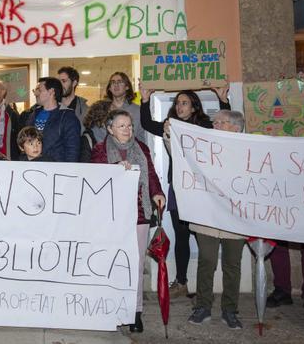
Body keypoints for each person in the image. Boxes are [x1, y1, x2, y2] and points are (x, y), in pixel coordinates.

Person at [139, 85, 229, 298]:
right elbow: (146, 124)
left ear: (194, 107)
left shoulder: (206, 126)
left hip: (201, 190)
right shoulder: (171, 126)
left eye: (184, 103)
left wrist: (223, 100)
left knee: (202, 236)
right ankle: (181, 282)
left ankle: (206, 286)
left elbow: (227, 130)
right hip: (178, 188)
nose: (179, 106)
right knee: (181, 235)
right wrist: (144, 100)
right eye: (177, 103)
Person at [91, 109, 165, 334]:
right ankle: (111, 310)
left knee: (136, 264)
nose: (127, 129)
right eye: (121, 126)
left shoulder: (141, 148)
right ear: (110, 129)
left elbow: (150, 174)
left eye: (129, 125)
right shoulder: (100, 150)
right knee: (111, 264)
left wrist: (157, 193)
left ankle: (135, 312)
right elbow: (94, 178)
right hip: (111, 217)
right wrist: (113, 170)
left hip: (139, 214)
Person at [187, 110, 247, 330]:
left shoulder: (249, 151)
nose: (216, 125)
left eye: (221, 122)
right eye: (215, 122)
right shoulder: (203, 146)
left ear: (236, 127)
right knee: (207, 261)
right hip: (208, 215)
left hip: (235, 217)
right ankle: (203, 306)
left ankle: (230, 309)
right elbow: (181, 152)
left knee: (232, 264)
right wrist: (168, 136)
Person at [20, 77, 81, 162]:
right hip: (32, 170)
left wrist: (67, 172)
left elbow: (72, 151)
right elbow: (24, 142)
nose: (35, 93)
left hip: (55, 171)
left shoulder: (68, 117)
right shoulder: (32, 115)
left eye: (39, 90)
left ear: (51, 92)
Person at [105, 71, 143, 140]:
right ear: (109, 88)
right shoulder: (101, 110)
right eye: (113, 82)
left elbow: (142, 137)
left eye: (120, 82)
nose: (116, 85)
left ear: (127, 87)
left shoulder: (138, 111)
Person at [57, 66, 89, 131]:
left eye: (64, 81)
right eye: (58, 82)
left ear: (74, 83)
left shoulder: (85, 110)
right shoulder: (52, 105)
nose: (60, 85)